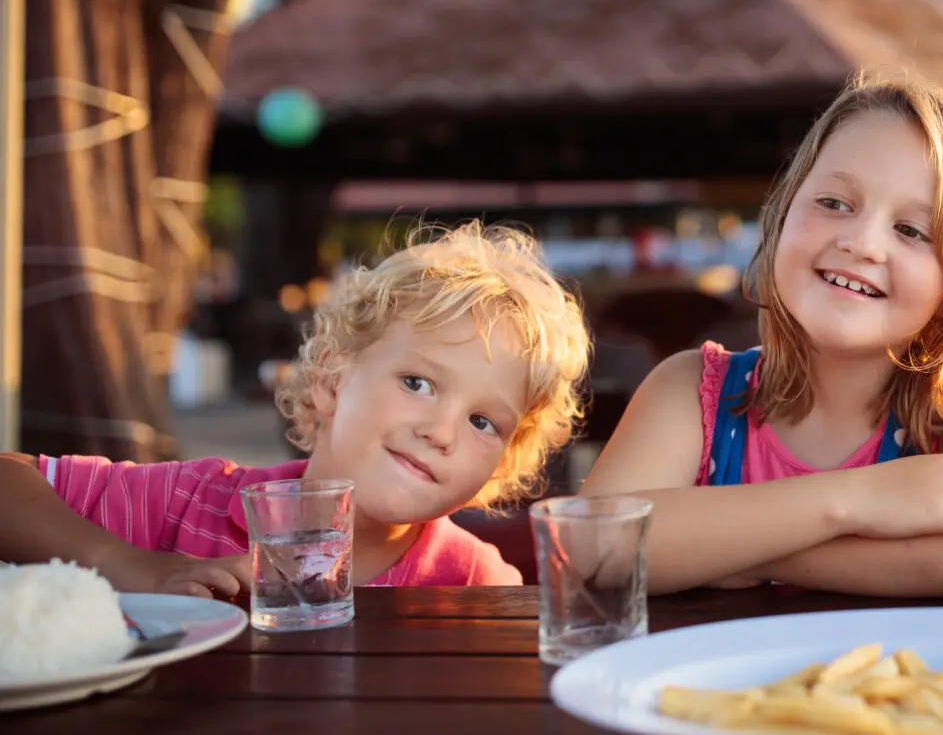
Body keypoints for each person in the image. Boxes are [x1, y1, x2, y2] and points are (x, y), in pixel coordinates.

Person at [581, 72, 943, 598]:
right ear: (783, 212)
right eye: (834, 203)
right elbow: (596, 544)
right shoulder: (691, 389)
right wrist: (862, 499)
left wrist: (736, 549)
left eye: (911, 231)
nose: (861, 243)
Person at [0, 222, 591, 594]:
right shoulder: (189, 506)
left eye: (482, 422)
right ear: (332, 378)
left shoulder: (474, 585)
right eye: (417, 382)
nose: (441, 431)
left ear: (501, 464)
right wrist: (128, 566)